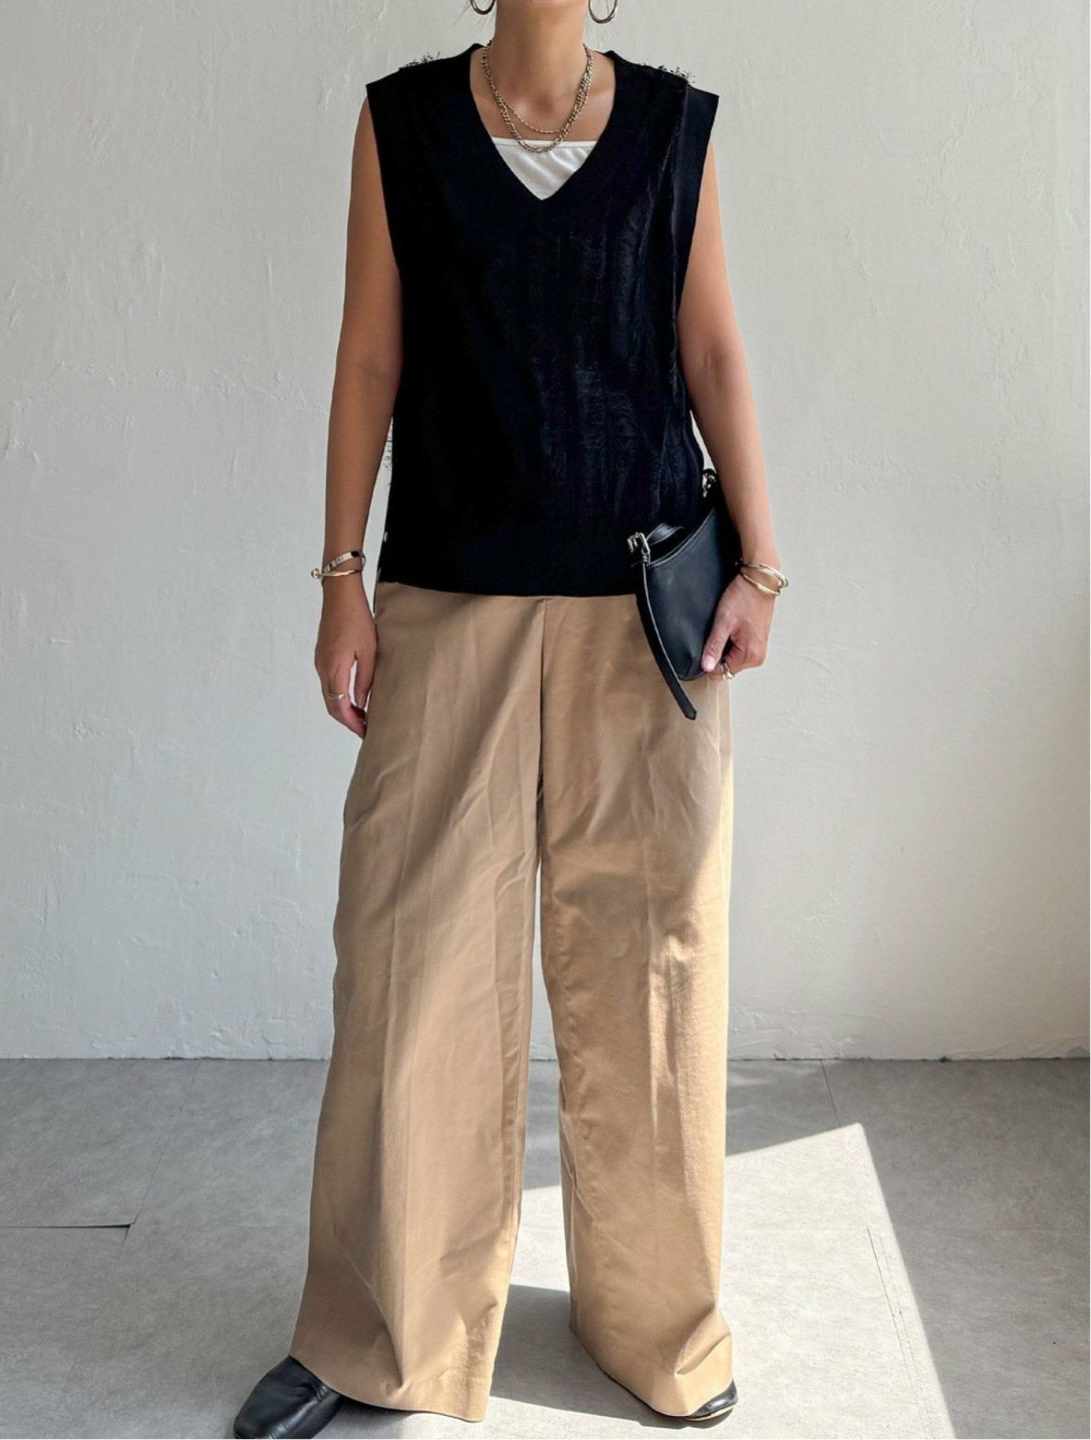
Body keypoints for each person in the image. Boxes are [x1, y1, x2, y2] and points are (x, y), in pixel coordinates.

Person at [234, 2, 786, 1435]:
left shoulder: (669, 128)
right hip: (446, 601)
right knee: (409, 967)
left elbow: (714, 355)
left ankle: (659, 1326)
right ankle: (379, 1331)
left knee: (654, 973)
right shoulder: (404, 123)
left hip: (648, 614)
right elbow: (370, 358)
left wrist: (764, 565)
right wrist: (340, 582)